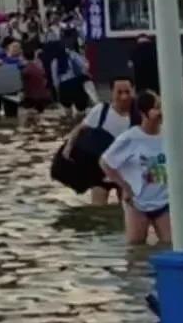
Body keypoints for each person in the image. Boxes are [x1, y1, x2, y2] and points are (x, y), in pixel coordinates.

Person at [100, 91, 173, 247]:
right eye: (156, 108)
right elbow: (105, 162)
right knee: (136, 248)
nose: (161, 112)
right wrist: (125, 187)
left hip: (164, 201)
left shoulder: (169, 135)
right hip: (137, 203)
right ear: (143, 113)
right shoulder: (130, 137)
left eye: (161, 107)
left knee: (170, 245)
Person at [60, 77, 137, 205]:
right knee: (97, 208)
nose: (124, 97)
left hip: (124, 171)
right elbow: (79, 129)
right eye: (119, 92)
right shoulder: (101, 110)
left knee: (126, 208)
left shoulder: (138, 115)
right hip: (99, 169)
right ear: (112, 92)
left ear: (133, 91)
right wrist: (68, 147)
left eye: (127, 92)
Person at [50, 41, 90, 118]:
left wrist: (58, 92)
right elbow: (84, 67)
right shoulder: (73, 55)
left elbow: (55, 80)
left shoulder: (55, 61)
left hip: (64, 87)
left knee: (68, 112)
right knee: (81, 112)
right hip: (77, 84)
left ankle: (69, 126)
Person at [21, 44, 52, 117]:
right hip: (44, 96)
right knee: (40, 115)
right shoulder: (39, 64)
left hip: (32, 97)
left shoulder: (26, 69)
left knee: (30, 117)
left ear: (23, 57)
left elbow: (21, 83)